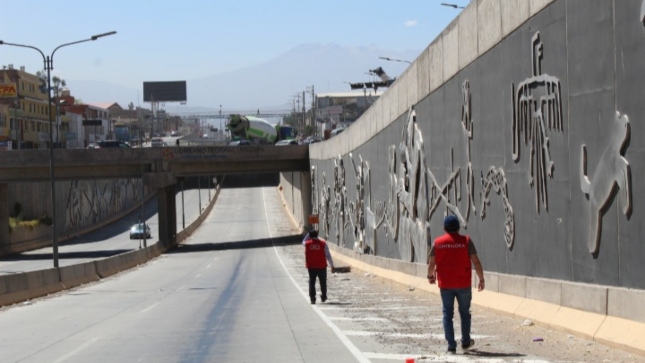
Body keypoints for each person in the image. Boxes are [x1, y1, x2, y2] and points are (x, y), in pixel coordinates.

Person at [427, 215, 485, 354]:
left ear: (444, 228)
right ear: (458, 228)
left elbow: (432, 262)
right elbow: (476, 261)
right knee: (465, 313)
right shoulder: (466, 241)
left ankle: (451, 345)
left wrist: (430, 276)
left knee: (447, 314)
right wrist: (481, 279)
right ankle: (465, 342)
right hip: (463, 283)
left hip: (446, 284)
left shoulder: (438, 242)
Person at [303, 229, 335, 304]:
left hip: (311, 266)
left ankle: (312, 298)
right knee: (323, 282)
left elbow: (303, 241)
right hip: (322, 266)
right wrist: (332, 265)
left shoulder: (307, 244)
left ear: (310, 236)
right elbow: (328, 255)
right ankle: (323, 296)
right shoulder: (323, 243)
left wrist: (308, 235)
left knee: (312, 282)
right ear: (317, 235)